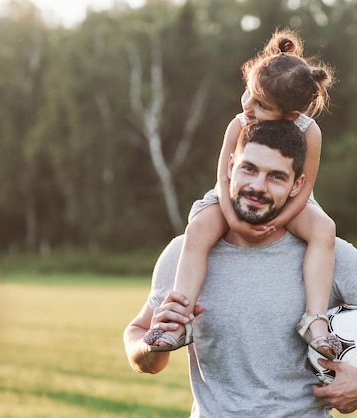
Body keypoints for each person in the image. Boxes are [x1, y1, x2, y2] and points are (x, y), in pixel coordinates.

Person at [124, 120, 357, 417]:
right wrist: (149, 346)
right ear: (230, 167)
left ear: (296, 185)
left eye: (275, 176)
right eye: (249, 169)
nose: (257, 186)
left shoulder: (327, 254)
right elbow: (142, 346)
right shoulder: (186, 253)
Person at [143, 28, 341, 359]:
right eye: (248, 93)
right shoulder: (239, 123)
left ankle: (315, 320)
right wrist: (235, 220)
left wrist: (279, 220)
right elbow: (224, 177)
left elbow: (304, 186)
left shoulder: (309, 131)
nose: (247, 105)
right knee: (198, 229)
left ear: (290, 115)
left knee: (325, 230)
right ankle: (178, 319)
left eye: (260, 104)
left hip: (287, 200)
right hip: (232, 196)